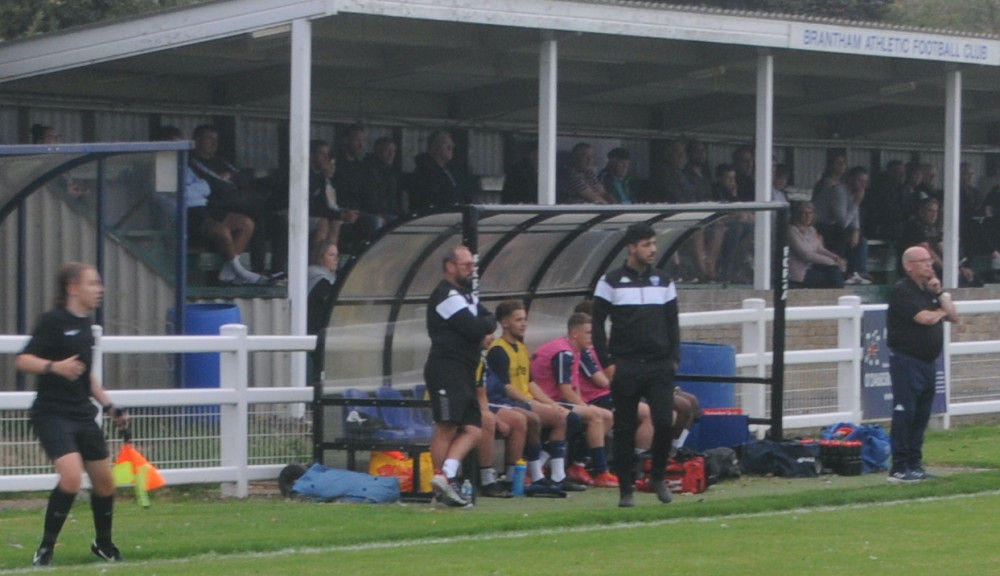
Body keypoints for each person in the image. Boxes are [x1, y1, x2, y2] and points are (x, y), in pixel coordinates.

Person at [16, 263, 128, 567]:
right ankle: (45, 549)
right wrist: (54, 367)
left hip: (81, 413)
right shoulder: (52, 321)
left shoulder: (85, 327)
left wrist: (110, 407)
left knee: (105, 482)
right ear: (72, 288)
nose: (99, 289)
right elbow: (23, 360)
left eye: (99, 284)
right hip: (52, 413)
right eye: (93, 283)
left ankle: (102, 544)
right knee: (70, 477)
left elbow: (87, 376)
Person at [592, 222, 680, 507]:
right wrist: (607, 362)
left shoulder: (664, 281)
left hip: (658, 365)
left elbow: (673, 323)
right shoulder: (611, 281)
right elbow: (595, 323)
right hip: (626, 364)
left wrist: (673, 358)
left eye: (653, 243)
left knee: (665, 422)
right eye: (646, 245)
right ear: (631, 248)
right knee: (626, 427)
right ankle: (626, 488)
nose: (652, 250)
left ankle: (657, 475)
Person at [485, 300, 584, 494]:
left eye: (525, 319)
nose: (524, 324)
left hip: (524, 400)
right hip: (509, 402)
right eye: (518, 320)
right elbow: (505, 387)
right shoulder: (498, 350)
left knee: (567, 417)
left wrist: (551, 404)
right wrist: (531, 402)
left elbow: (531, 382)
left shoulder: (521, 348)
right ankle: (539, 475)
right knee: (551, 418)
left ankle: (555, 475)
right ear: (505, 323)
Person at [424, 246, 496, 507]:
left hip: (465, 370)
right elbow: (475, 327)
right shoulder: (445, 295)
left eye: (472, 265)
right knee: (447, 426)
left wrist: (483, 329)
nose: (471, 269)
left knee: (475, 428)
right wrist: (482, 331)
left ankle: (448, 475)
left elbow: (490, 318)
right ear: (450, 267)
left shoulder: (467, 296)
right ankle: (441, 488)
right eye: (466, 265)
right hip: (446, 369)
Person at [156, 126, 267, 285]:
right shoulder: (163, 166)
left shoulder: (184, 164)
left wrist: (191, 189)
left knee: (246, 223)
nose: (178, 147)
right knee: (222, 231)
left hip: (203, 207)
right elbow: (178, 194)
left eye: (180, 143)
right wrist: (193, 190)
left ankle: (228, 275)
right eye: (174, 144)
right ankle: (240, 271)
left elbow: (204, 186)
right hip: (183, 214)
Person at [886, 246, 958, 483]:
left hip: (928, 362)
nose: (929, 265)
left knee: (921, 414)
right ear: (909, 265)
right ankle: (899, 466)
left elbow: (954, 317)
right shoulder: (902, 291)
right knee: (905, 412)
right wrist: (939, 312)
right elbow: (923, 318)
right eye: (923, 261)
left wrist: (940, 294)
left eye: (930, 261)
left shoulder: (929, 291)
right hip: (907, 360)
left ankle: (915, 463)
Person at [530, 312, 619, 488]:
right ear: (575, 333)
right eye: (588, 332)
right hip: (545, 400)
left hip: (556, 400)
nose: (592, 337)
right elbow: (564, 390)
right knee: (594, 415)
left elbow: (574, 386)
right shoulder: (564, 352)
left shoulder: (576, 351)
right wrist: (584, 407)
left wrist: (582, 405)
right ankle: (601, 472)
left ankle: (579, 464)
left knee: (606, 416)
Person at [788, 201, 845, 289]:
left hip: (811, 268)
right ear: (797, 215)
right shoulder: (791, 231)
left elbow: (819, 249)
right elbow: (805, 255)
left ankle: (840, 295)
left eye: (810, 213)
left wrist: (835, 257)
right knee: (832, 276)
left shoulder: (811, 230)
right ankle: (840, 295)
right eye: (804, 213)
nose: (808, 216)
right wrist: (831, 262)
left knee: (834, 271)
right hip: (798, 273)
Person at [409, 130, 468, 213]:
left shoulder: (448, 171)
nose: (451, 148)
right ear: (434, 148)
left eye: (451, 145)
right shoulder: (424, 173)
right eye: (447, 145)